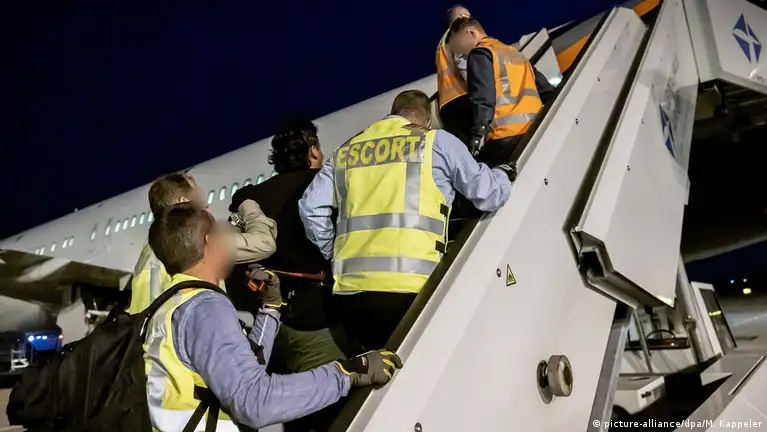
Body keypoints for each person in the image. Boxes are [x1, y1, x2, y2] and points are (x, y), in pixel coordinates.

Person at [143, 203, 403, 431]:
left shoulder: (171, 305)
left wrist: (270, 308)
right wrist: (347, 372)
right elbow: (254, 402)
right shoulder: (205, 307)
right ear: (210, 242)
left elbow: (243, 369)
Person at [299, 90, 514, 351]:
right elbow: (488, 194)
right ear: (428, 119)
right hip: (412, 289)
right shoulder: (435, 141)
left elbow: (310, 208)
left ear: (393, 113)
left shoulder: (345, 151)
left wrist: (332, 252)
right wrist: (502, 174)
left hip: (350, 295)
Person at [227, 119, 352, 431]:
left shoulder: (256, 197)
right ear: (313, 151)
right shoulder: (324, 186)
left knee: (294, 411)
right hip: (318, 322)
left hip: (275, 325)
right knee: (334, 411)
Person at [128, 171, 277, 314]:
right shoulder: (193, 241)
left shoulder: (156, 251)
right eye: (200, 200)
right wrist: (247, 203)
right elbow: (265, 243)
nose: (207, 205)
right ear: (183, 202)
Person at [448, 17, 544, 166]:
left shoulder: (480, 53)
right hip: (536, 130)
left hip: (505, 138)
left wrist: (477, 136)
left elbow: (483, 97)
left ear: (471, 32)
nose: (460, 52)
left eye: (458, 43)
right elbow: (544, 88)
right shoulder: (515, 53)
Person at [436, 5, 473, 146]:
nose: (469, 21)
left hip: (446, 104)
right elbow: (466, 65)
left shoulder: (442, 43)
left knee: (461, 147)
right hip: (462, 97)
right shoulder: (459, 35)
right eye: (465, 16)